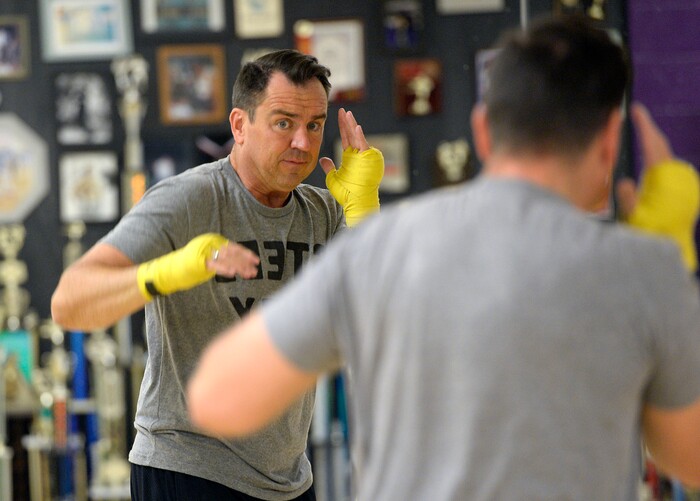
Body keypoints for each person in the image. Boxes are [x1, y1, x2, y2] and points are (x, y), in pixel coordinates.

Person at [187, 16, 700, 501]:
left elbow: (218, 397)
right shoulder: (643, 271)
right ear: (610, 141)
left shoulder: (383, 249)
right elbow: (689, 457)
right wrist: (675, 259)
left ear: (482, 131)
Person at [51, 49, 384, 501]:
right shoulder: (190, 199)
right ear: (239, 126)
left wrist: (363, 211)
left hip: (287, 478)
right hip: (188, 469)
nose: (303, 144)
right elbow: (69, 302)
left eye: (315, 125)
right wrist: (166, 272)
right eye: (283, 122)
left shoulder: (322, 212)